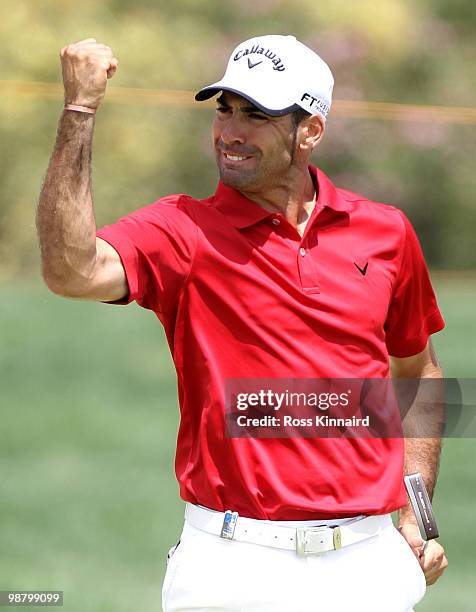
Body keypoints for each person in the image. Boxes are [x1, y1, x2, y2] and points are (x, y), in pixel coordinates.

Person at [37, 34, 448, 611]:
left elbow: (417, 369)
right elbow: (70, 271)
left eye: (257, 115)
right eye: (224, 110)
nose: (230, 131)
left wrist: (418, 513)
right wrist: (79, 111)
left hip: (369, 565)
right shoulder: (182, 229)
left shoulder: (385, 232)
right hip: (231, 567)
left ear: (311, 130)